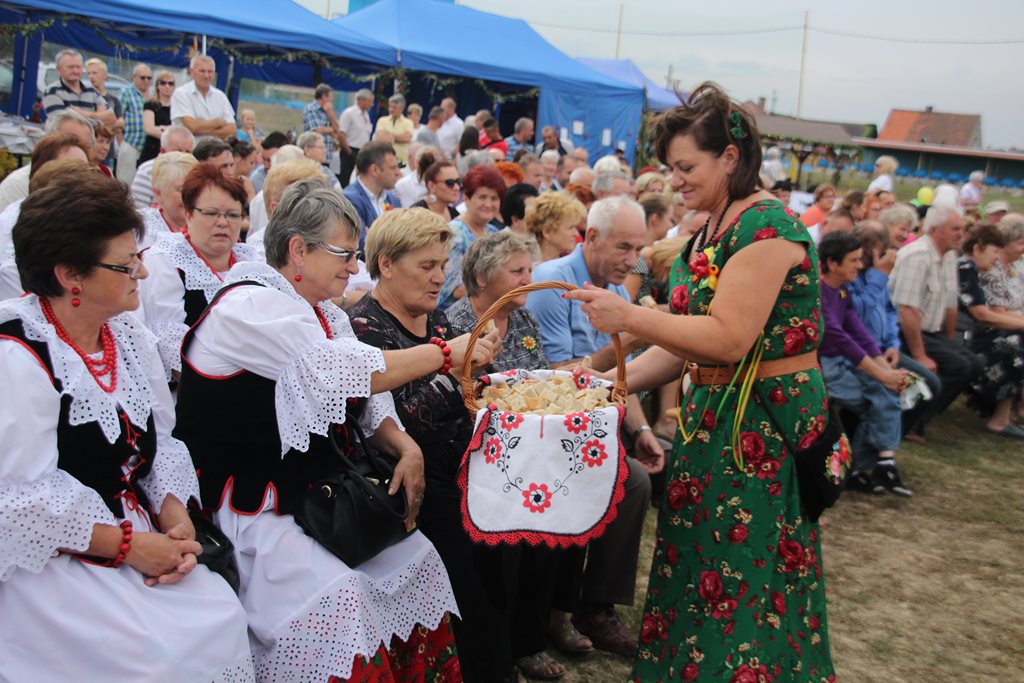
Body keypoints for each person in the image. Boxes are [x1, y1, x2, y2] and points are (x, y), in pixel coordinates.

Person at [563, 82, 836, 680]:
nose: (675, 180)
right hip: (717, 419)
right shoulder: (712, 226)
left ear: (730, 158)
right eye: (671, 168)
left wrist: (629, 317)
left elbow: (729, 339)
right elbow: (689, 348)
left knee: (744, 570)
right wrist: (601, 379)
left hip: (761, 427)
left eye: (686, 167)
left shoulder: (767, 230)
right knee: (698, 562)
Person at [175, 188, 470, 681]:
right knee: (340, 603)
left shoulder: (324, 312)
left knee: (419, 560)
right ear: (297, 250)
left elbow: (369, 402)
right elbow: (345, 371)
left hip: (315, 493)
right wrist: (444, 355)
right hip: (252, 508)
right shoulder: (248, 308)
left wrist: (405, 446)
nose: (354, 269)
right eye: (344, 254)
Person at [0, 171, 254, 680]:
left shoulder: (125, 336)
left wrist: (174, 515)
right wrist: (130, 547)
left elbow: (160, 447)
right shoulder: (19, 355)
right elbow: (17, 507)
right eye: (125, 263)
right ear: (70, 275)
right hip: (52, 558)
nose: (141, 272)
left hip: (130, 531)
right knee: (159, 657)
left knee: (221, 618)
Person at [347, 208, 514, 682]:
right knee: (471, 586)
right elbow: (399, 421)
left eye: (443, 264)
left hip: (462, 469)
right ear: (384, 264)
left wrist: (482, 377)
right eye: (426, 266)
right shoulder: (364, 328)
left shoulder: (436, 318)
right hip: (404, 484)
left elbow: (461, 402)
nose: (440, 277)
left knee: (506, 557)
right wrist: (457, 368)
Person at [445, 231, 593, 679]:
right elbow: (468, 395)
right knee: (521, 530)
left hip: (530, 442)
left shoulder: (523, 321)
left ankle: (549, 622)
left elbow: (536, 381)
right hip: (481, 449)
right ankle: (517, 642)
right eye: (518, 271)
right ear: (486, 277)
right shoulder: (457, 323)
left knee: (569, 503)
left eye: (530, 270)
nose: (529, 279)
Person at [526, 197, 662, 659]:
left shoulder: (615, 289)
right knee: (633, 480)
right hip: (551, 427)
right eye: (624, 247)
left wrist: (642, 429)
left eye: (639, 249)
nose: (632, 260)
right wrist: (630, 339)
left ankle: (592, 603)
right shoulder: (553, 284)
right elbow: (551, 379)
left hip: (597, 422)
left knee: (647, 469)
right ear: (592, 238)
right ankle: (586, 608)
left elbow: (623, 378)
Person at [139, 163, 256, 379]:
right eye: (211, 213)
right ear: (189, 215)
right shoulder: (166, 260)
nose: (222, 223)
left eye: (232, 215)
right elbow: (169, 344)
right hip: (191, 390)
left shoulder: (251, 261)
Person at [817, 231, 913, 496]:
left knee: (884, 395)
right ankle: (870, 466)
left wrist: (885, 370)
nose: (860, 266)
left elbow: (859, 333)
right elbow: (839, 339)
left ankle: (868, 467)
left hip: (841, 361)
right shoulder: (819, 293)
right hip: (821, 365)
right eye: (853, 260)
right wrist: (883, 377)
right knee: (878, 401)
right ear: (832, 263)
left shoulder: (843, 290)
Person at [889, 204, 982, 442]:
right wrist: (921, 355)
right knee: (958, 366)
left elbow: (950, 304)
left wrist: (949, 343)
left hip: (931, 331)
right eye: (954, 229)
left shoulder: (949, 255)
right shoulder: (917, 256)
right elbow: (906, 311)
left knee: (971, 362)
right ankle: (908, 420)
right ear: (933, 229)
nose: (961, 234)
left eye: (962, 229)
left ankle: (923, 416)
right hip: (904, 332)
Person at [847, 222, 941, 448]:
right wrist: (878, 277)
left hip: (883, 349)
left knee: (929, 385)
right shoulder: (849, 276)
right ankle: (873, 452)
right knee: (889, 390)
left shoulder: (876, 274)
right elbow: (856, 314)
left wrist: (893, 343)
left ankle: (887, 445)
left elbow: (890, 311)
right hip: (857, 351)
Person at [957, 223, 1024, 437]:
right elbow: (989, 315)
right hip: (979, 334)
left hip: (993, 329)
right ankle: (1002, 417)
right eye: (1021, 243)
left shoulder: (1012, 269)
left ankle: (1012, 413)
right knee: (1017, 347)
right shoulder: (981, 271)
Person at [0, 108, 94, 213]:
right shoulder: (18, 184)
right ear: (49, 141)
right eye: (69, 142)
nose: (78, 150)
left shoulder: (94, 187)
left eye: (86, 145)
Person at [440, 164, 507, 309]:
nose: (488, 204)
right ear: (467, 198)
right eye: (482, 197)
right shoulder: (454, 234)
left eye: (494, 198)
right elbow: (454, 290)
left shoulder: (494, 233)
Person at [342, 141, 402, 249]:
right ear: (375, 170)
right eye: (393, 168)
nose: (398, 173)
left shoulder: (393, 200)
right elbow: (362, 245)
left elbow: (405, 238)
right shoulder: (349, 200)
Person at [138, 151, 197, 248]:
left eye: (195, 188)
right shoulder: (142, 228)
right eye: (181, 189)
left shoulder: (210, 224)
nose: (190, 195)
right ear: (158, 194)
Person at [41, 49, 115, 126]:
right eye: (71, 67)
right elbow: (63, 124)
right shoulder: (52, 91)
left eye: (78, 67)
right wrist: (99, 118)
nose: (76, 71)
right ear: (59, 69)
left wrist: (84, 114)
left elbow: (112, 119)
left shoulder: (92, 90)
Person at [170, 54, 236, 139]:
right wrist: (216, 123)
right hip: (187, 150)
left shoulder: (220, 96)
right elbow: (191, 127)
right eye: (202, 71)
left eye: (210, 71)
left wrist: (202, 130)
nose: (206, 75)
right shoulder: (181, 94)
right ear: (192, 72)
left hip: (215, 150)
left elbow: (232, 130)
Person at [132, 126, 195, 209]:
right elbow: (138, 211)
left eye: (187, 152)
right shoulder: (146, 172)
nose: (182, 156)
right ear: (162, 151)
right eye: (177, 151)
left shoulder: (195, 174)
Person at [525, 190, 587, 263]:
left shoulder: (570, 263)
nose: (576, 234)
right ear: (547, 232)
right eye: (570, 228)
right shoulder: (527, 269)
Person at [118, 62, 151, 182]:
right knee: (125, 181)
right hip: (130, 144)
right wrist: (122, 143)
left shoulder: (153, 95)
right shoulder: (126, 93)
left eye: (149, 78)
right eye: (143, 77)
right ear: (134, 78)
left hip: (147, 147)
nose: (146, 80)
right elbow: (118, 118)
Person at [302, 83, 343, 174]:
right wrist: (331, 129)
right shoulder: (311, 110)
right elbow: (316, 131)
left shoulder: (328, 112)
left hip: (326, 157)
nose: (332, 101)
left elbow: (337, 130)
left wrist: (331, 115)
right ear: (324, 97)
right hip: (312, 157)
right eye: (331, 99)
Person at [338, 89, 375, 187]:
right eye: (370, 102)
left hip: (361, 151)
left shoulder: (366, 115)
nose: (372, 105)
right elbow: (341, 134)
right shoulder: (349, 113)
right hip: (350, 150)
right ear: (363, 100)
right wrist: (349, 152)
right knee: (346, 180)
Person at [140, 70, 175, 164]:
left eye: (171, 84)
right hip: (152, 149)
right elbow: (149, 129)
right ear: (157, 86)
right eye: (163, 83)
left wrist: (162, 128)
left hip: (171, 152)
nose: (167, 86)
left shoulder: (177, 106)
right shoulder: (150, 104)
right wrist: (171, 131)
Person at [374, 94, 415, 167]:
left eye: (394, 107)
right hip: (384, 161)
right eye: (390, 107)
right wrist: (399, 137)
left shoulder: (408, 123)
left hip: (401, 162)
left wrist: (388, 134)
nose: (391, 110)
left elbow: (407, 137)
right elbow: (380, 137)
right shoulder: (382, 120)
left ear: (401, 108)